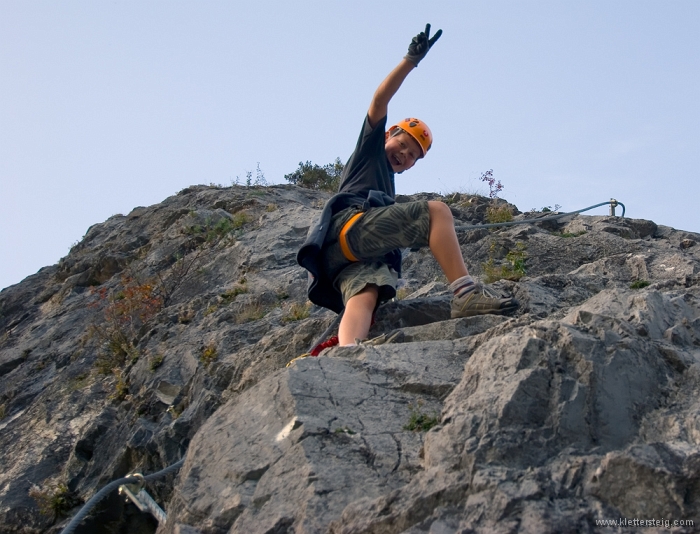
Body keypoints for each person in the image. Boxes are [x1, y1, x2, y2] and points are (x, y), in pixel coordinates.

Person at [297, 24, 518, 346]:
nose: (405, 153)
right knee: (437, 212)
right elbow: (379, 99)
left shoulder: (386, 186)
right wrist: (410, 60)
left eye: (413, 155)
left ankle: (348, 350)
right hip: (351, 227)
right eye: (403, 144)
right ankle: (465, 294)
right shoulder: (369, 154)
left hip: (341, 255)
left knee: (366, 293)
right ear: (387, 135)